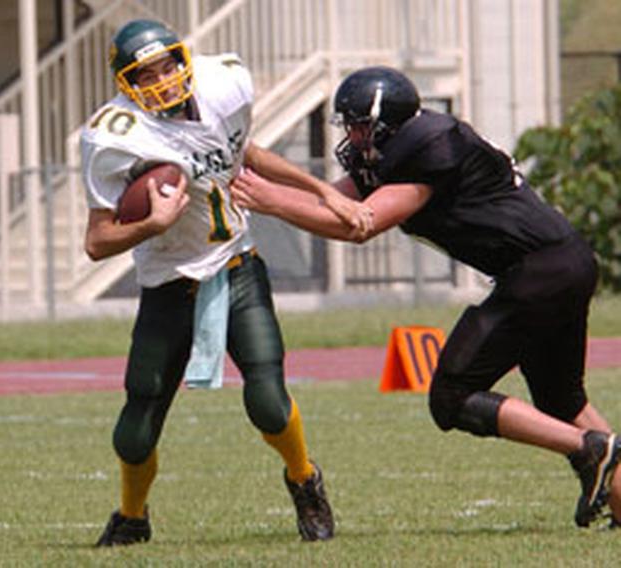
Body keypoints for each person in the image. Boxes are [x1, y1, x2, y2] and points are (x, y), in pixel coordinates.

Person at [230, 65, 621, 529]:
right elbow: (331, 202)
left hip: (539, 272)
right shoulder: (401, 149)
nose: (353, 138)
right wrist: (261, 179)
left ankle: (590, 450)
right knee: (561, 401)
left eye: (360, 126)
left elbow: (360, 223)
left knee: (453, 397)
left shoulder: (430, 148)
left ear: (389, 125)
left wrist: (269, 200)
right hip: (560, 263)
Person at [80, 19, 371, 546]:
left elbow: (243, 151)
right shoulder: (115, 136)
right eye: (146, 74)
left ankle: (304, 479)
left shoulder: (224, 83)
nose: (163, 80)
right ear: (125, 83)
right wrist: (151, 225)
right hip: (169, 282)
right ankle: (131, 516)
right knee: (136, 426)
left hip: (236, 266)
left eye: (168, 65)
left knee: (268, 400)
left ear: (183, 59)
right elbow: (97, 242)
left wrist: (322, 190)